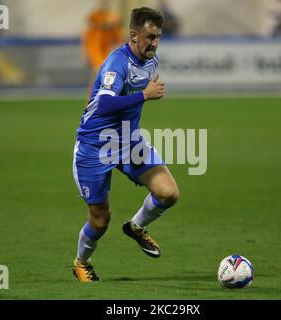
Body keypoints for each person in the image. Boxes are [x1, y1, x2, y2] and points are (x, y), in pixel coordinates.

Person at [72, 7, 180, 282]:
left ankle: (136, 227)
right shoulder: (116, 63)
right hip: (94, 147)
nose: (154, 43)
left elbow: (109, 96)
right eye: (149, 37)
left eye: (158, 37)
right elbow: (106, 102)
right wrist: (144, 95)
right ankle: (81, 263)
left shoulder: (150, 61)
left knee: (168, 193)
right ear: (133, 35)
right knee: (100, 219)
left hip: (129, 142)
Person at [81, 0, 125, 74]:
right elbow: (86, 36)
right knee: (100, 72)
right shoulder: (94, 17)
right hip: (95, 50)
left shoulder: (114, 18)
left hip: (107, 51)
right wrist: (85, 53)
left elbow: (119, 38)